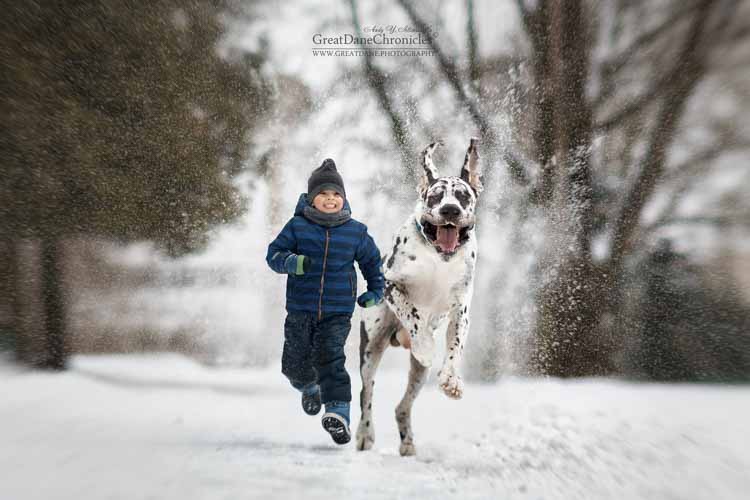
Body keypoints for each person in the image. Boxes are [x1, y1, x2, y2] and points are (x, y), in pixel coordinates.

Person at [265, 158, 385, 444]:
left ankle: (338, 413)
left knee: (331, 359)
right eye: (323, 194)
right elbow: (274, 255)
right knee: (293, 364)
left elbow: (372, 264)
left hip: (337, 311)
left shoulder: (356, 231)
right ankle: (309, 387)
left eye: (336, 194)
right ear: (311, 198)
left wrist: (375, 291)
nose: (330, 199)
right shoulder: (297, 226)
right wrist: (292, 263)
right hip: (300, 310)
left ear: (343, 199)